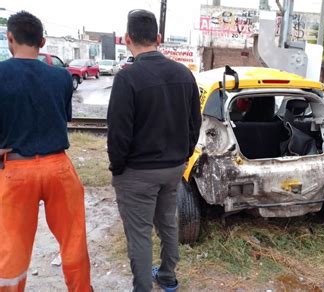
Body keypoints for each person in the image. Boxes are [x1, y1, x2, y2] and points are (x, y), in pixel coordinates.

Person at [107, 9, 202, 292]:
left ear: (127, 39)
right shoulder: (184, 75)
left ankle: (143, 288)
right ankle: (168, 276)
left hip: (137, 172)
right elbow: (193, 124)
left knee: (139, 235)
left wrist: (118, 167)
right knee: (167, 224)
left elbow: (118, 132)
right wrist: (183, 155)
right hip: (172, 168)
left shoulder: (128, 78)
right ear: (158, 38)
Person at [0, 11, 91, 291]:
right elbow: (64, 119)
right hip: (58, 167)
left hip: (15, 171)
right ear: (42, 41)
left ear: (10, 38)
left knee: (12, 248)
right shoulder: (61, 77)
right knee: (73, 240)